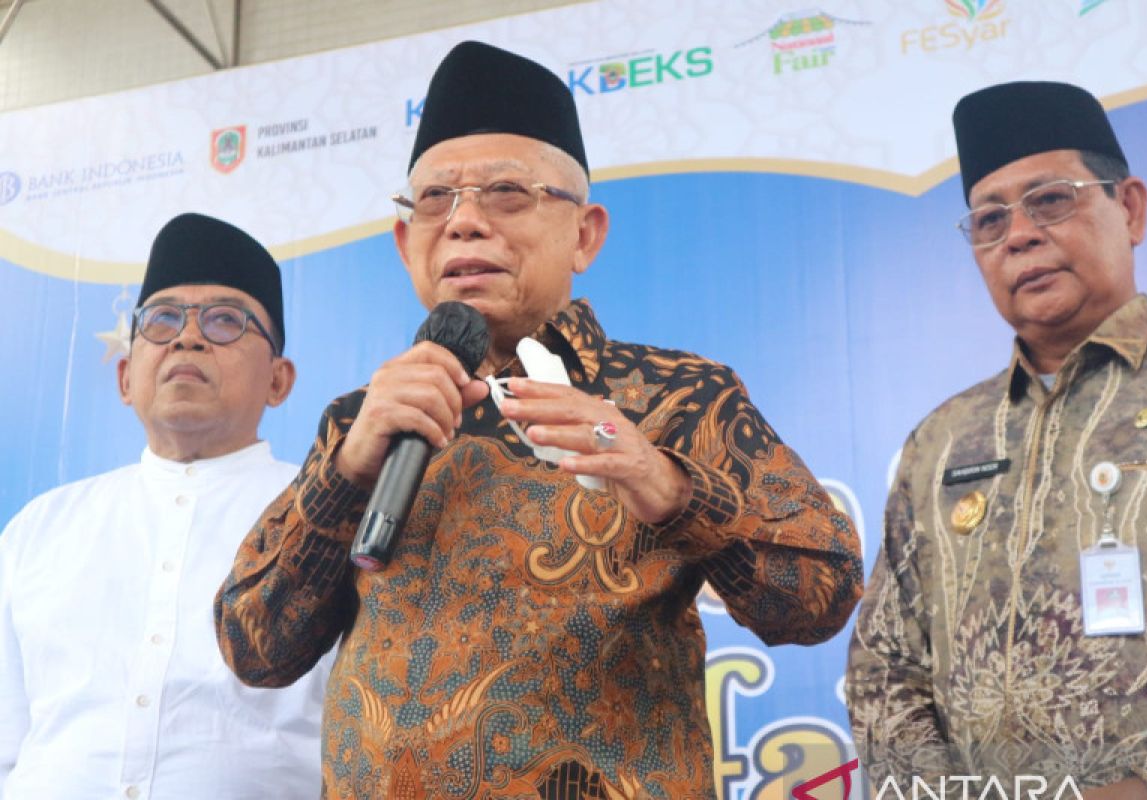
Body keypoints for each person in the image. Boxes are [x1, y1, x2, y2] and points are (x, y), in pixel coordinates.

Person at [215, 40, 862, 799]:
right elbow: (255, 649)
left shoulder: (680, 396)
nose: (463, 224)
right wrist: (346, 473)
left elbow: (823, 595)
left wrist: (666, 485)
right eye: (435, 201)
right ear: (405, 243)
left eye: (506, 194)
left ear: (584, 234)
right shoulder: (361, 422)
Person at [846, 81, 1147, 799]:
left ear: (1129, 208)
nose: (1020, 234)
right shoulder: (941, 440)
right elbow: (884, 665)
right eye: (989, 219)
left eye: (1050, 200)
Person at [0, 213, 330, 799]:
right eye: (163, 319)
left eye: (227, 320)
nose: (188, 337)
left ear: (279, 381)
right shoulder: (39, 531)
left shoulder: (326, 524)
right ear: (126, 378)